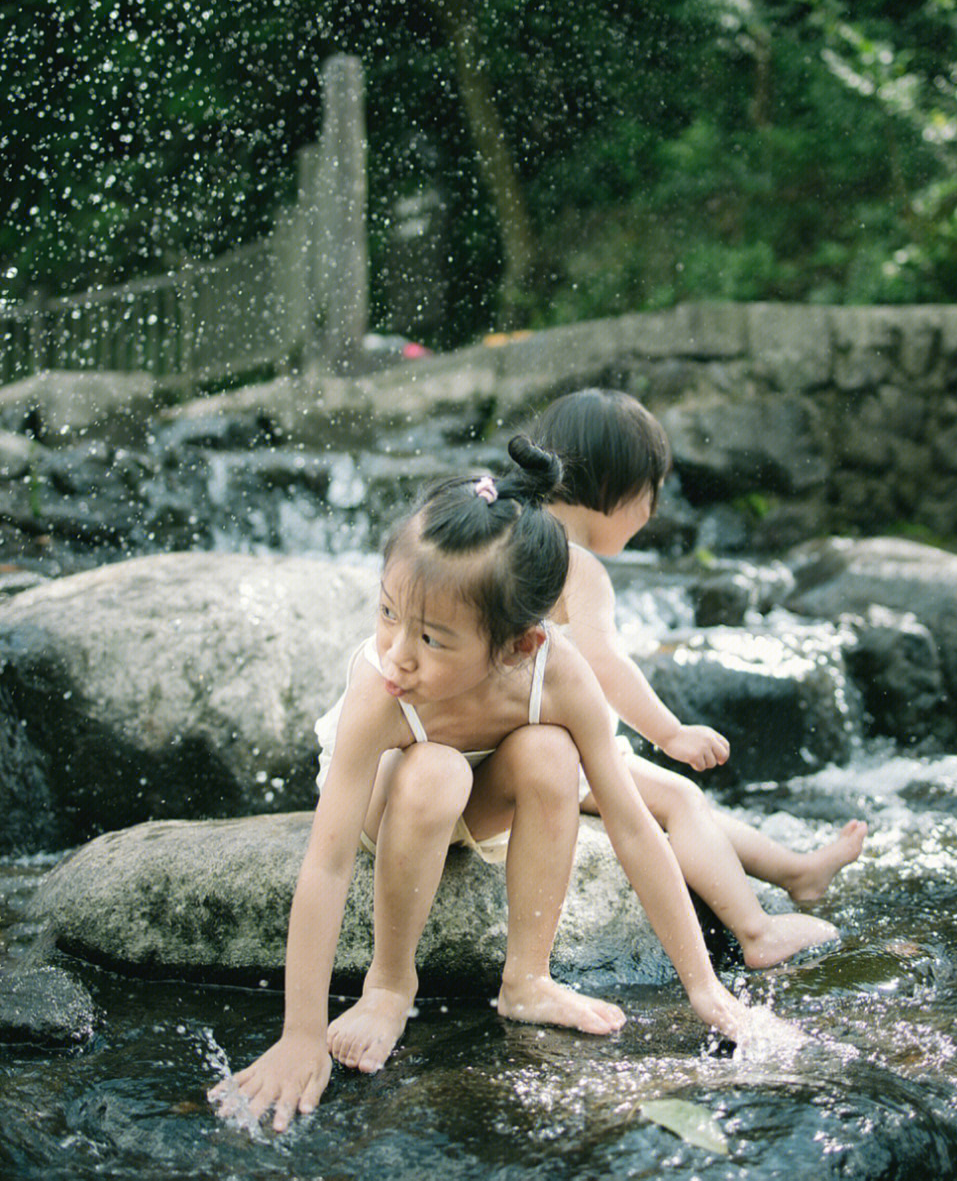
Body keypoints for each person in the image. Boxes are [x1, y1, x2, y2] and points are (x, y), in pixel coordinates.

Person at [210, 436, 798, 1133]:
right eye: (388, 613)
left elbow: (633, 823)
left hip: (484, 797)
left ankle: (527, 979)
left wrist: (707, 990)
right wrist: (301, 1033)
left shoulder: (559, 671)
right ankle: (392, 984)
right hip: (393, 800)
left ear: (520, 643)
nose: (398, 651)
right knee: (436, 768)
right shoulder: (383, 682)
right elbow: (328, 858)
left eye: (431, 638)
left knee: (553, 754)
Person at [531, 388, 867, 970]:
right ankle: (757, 931)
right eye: (651, 491)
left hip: (507, 744)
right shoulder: (574, 564)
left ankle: (794, 869)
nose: (653, 512)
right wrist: (671, 733)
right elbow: (605, 663)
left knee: (676, 806)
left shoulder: (516, 533)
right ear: (617, 486)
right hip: (543, 758)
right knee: (682, 796)